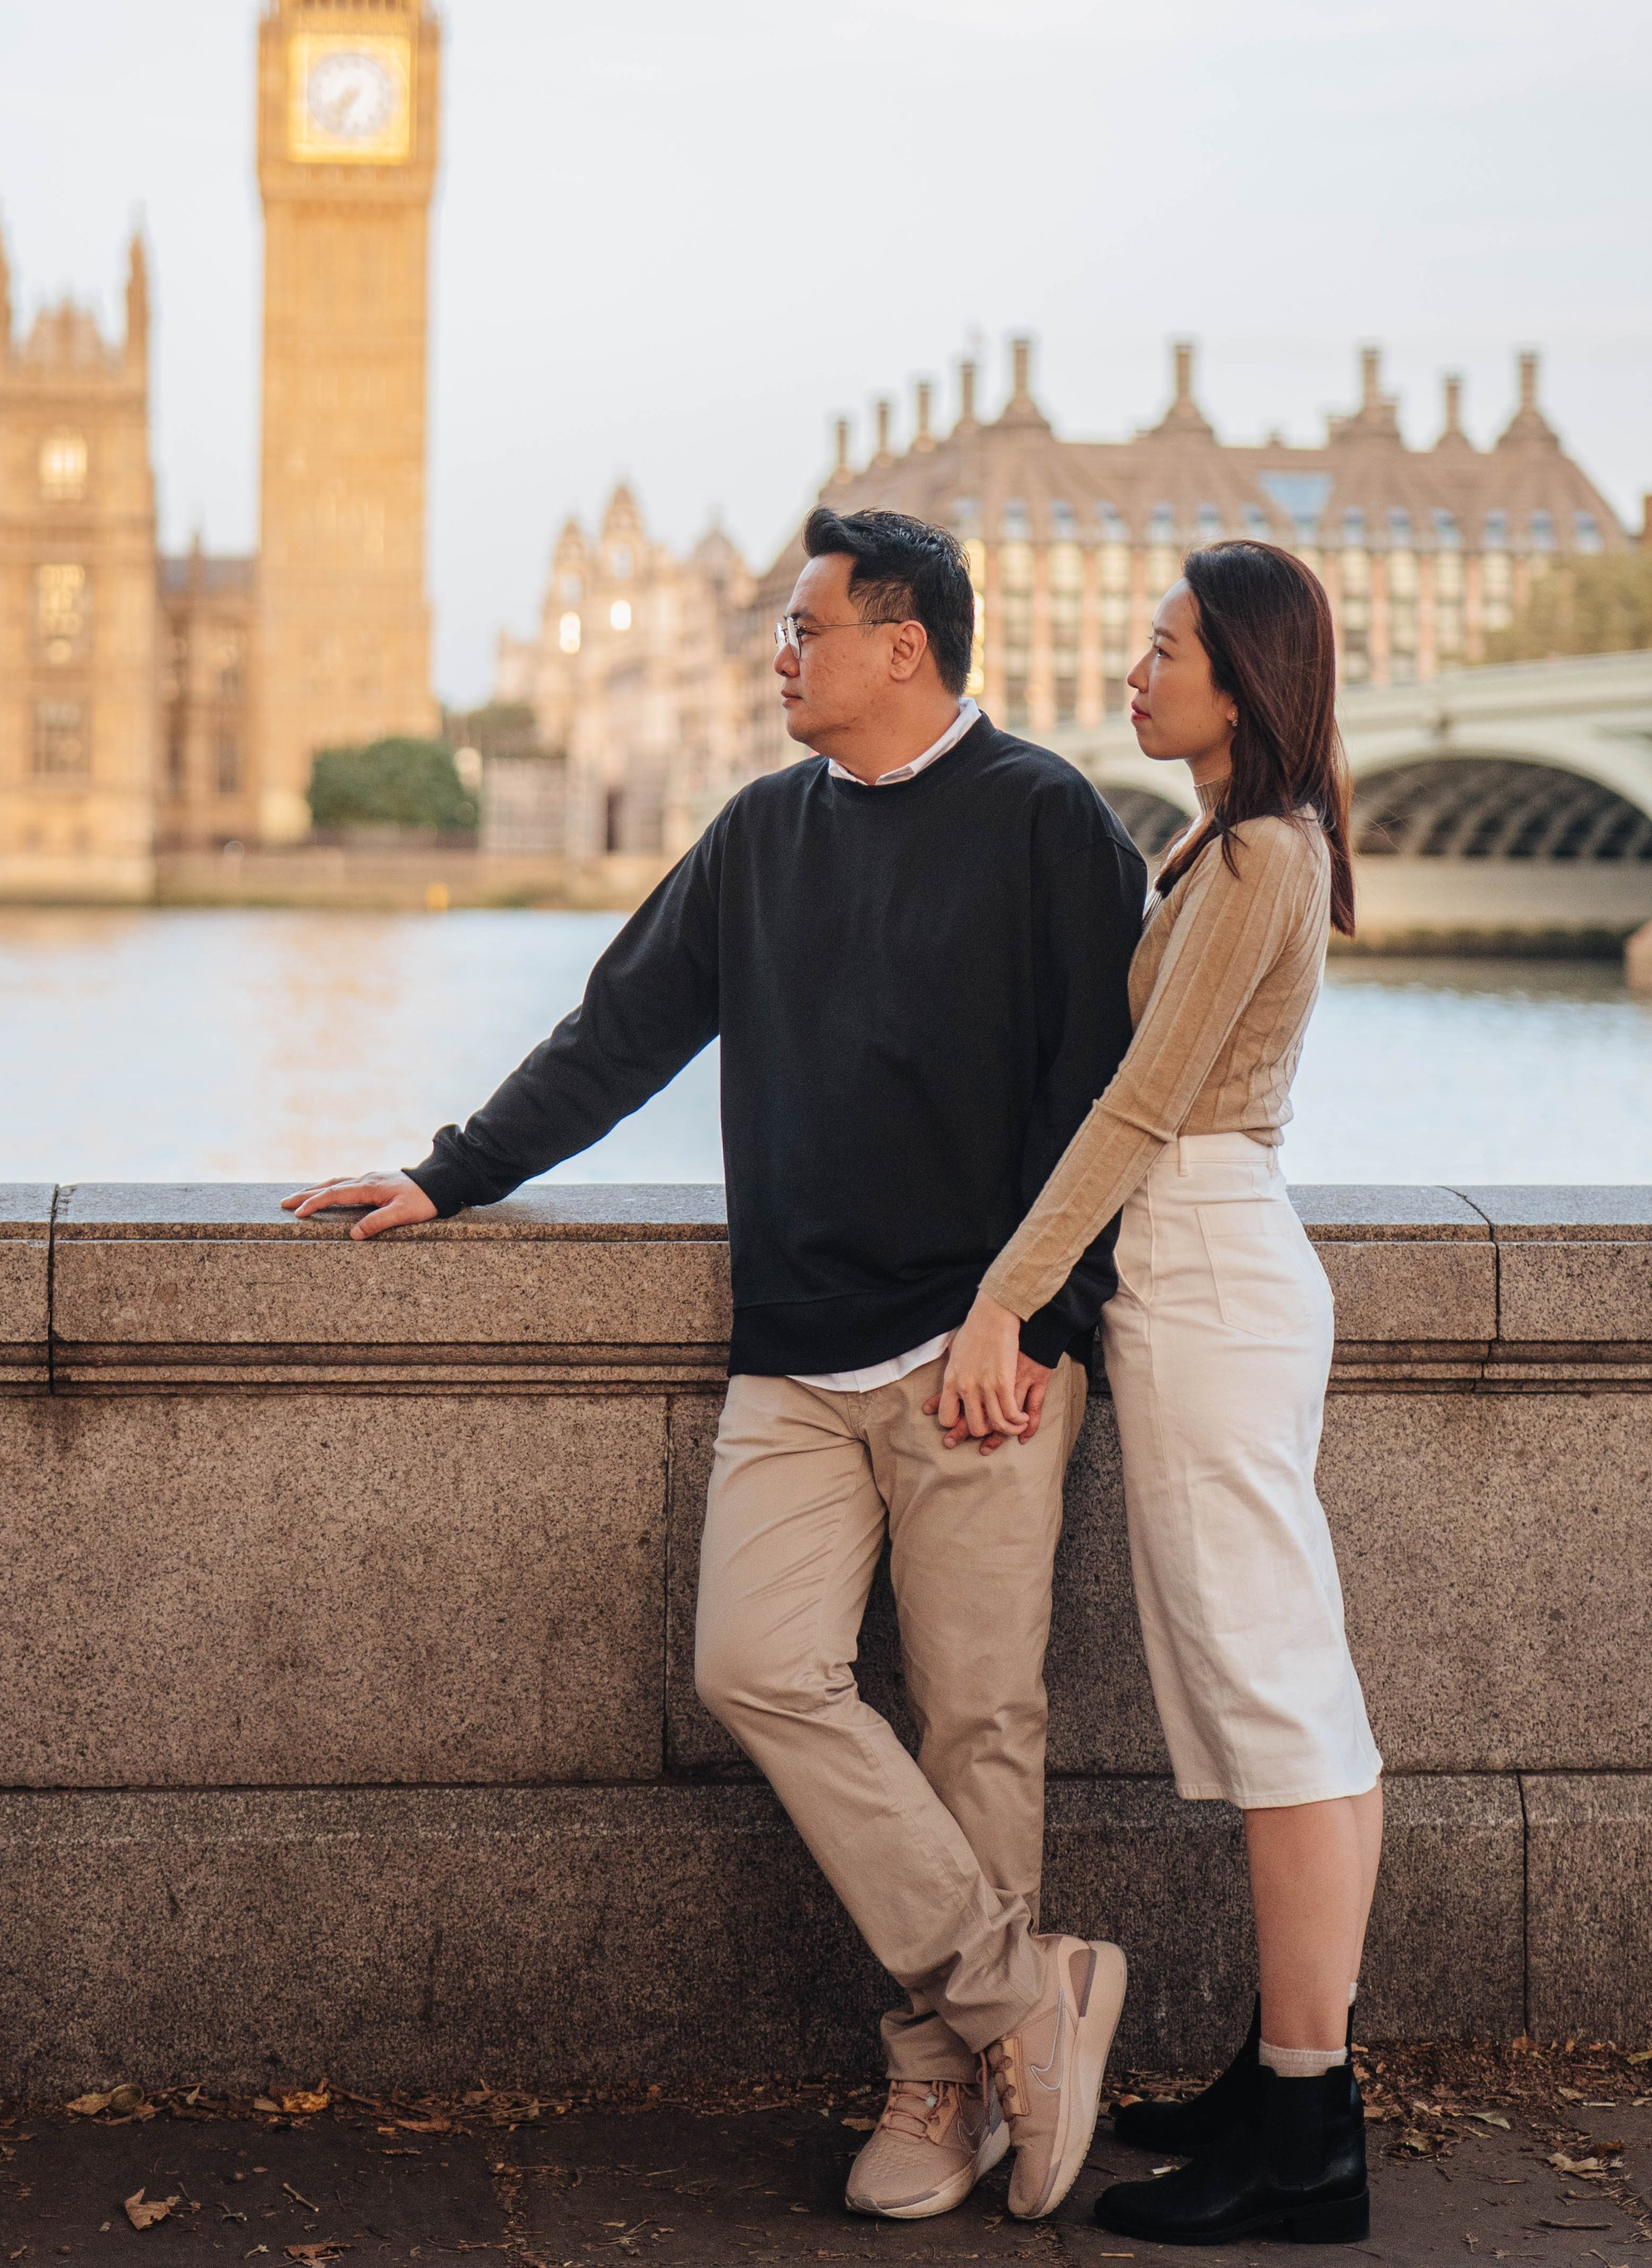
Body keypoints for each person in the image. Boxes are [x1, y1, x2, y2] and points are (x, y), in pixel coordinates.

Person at [283, 506, 1147, 2224]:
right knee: (753, 1665)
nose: (781, 657)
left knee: (979, 1721)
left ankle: (936, 2086)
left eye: (804, 631)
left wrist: (1030, 1320)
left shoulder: (1047, 821)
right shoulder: (761, 835)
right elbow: (616, 1035)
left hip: (981, 1356)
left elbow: (1102, 1108)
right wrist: (447, 1171)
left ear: (901, 647)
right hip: (795, 1351)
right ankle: (1012, 2003)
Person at [936, 538, 1381, 2249]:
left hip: (1200, 1264)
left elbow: (1136, 1111)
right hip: (1196, 1270)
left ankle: (1305, 2132)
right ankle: (1281, 2087)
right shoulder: (1224, 842)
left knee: (1280, 1714)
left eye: (1164, 644)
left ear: (1241, 676)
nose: (1135, 668)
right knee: (1282, 1701)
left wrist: (1000, 1299)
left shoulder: (1257, 852)